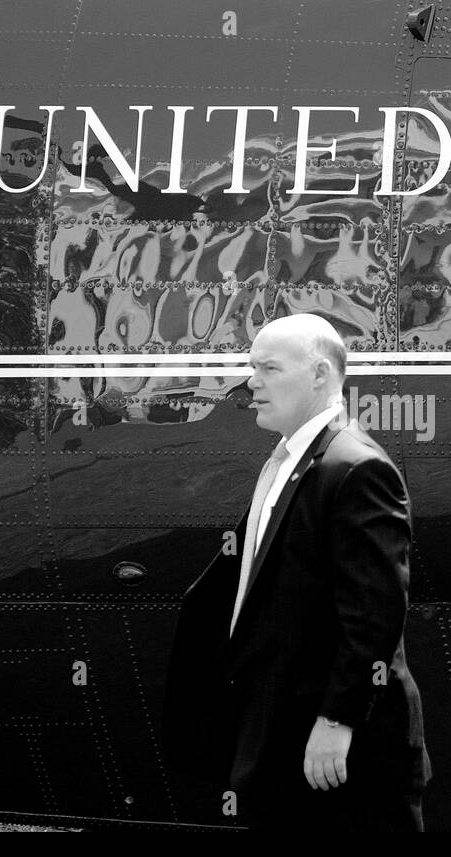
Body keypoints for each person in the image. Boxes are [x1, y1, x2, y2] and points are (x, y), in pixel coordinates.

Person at [163, 313, 430, 830]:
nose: (251, 382)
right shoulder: (293, 458)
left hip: (337, 752)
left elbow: (374, 611)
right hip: (284, 737)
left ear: (320, 374)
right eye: (251, 367)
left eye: (268, 368)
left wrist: (338, 720)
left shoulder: (356, 468)